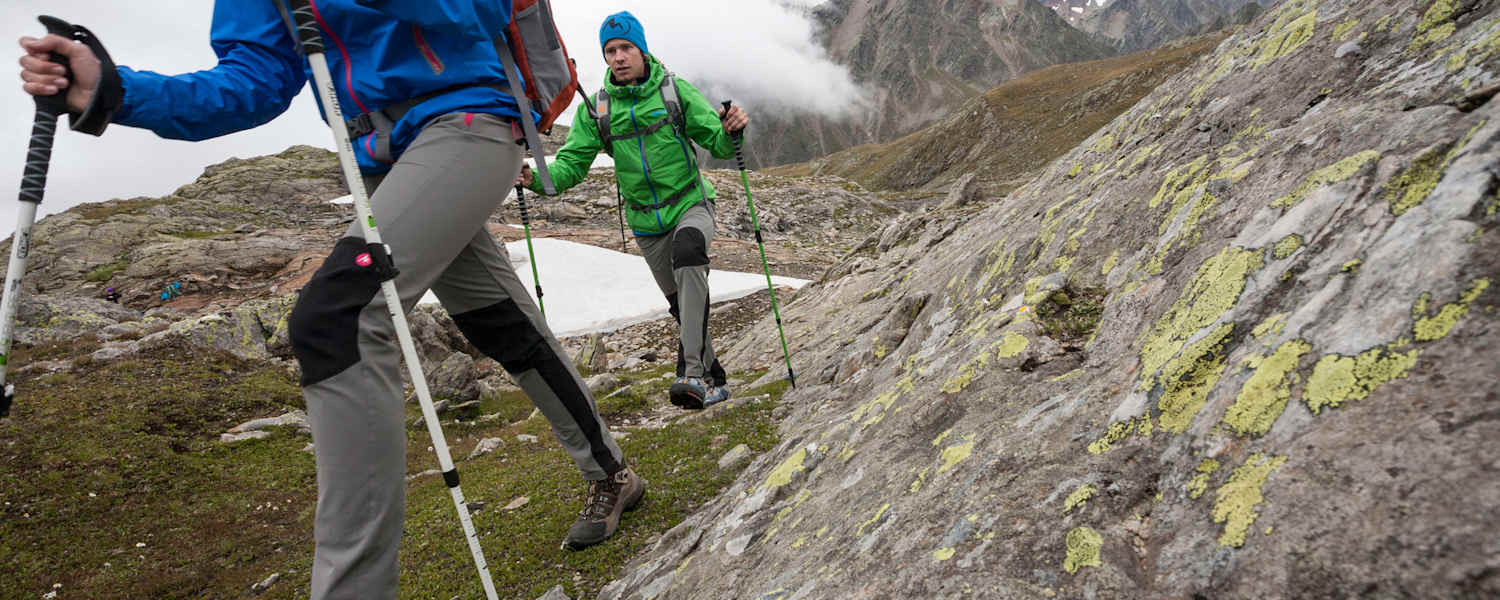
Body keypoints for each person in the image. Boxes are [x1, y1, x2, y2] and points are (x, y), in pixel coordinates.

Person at [18, 3, 643, 597]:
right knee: (498, 321)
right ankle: (612, 473)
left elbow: (476, 11)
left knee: (335, 315)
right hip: (380, 152)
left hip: (470, 118)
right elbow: (249, 84)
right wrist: (113, 88)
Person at [519, 10, 748, 410]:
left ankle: (690, 372)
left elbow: (718, 142)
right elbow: (570, 166)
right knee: (682, 303)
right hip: (645, 222)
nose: (619, 56)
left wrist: (732, 130)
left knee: (690, 253)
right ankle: (715, 380)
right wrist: (534, 178)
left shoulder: (674, 91)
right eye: (610, 50)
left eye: (626, 47)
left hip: (690, 203)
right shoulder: (598, 112)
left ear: (642, 50)